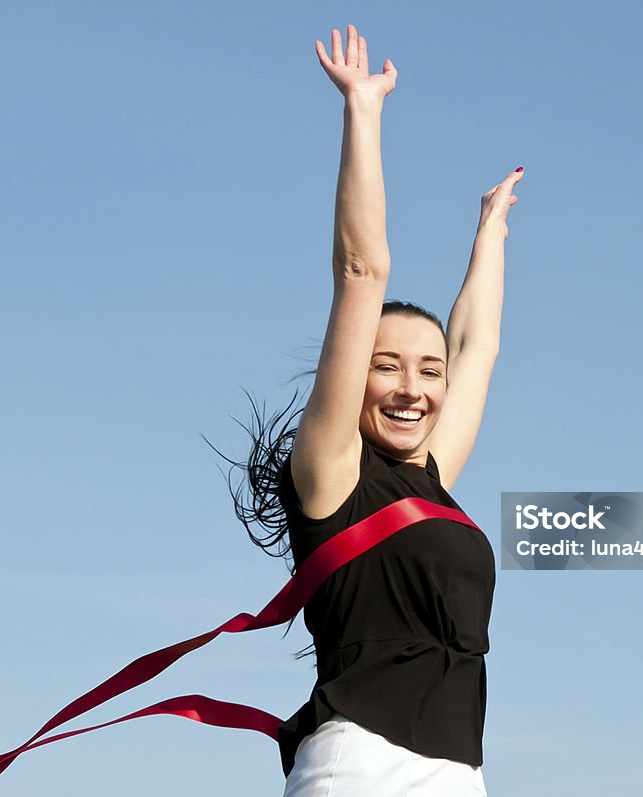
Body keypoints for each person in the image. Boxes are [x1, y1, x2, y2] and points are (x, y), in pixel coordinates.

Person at [231, 23, 523, 796]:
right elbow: (363, 269)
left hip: (460, 776)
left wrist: (490, 228)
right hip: (358, 768)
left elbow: (480, 345)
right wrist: (364, 110)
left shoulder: (431, 476)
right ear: (350, 376)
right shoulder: (329, 474)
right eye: (385, 365)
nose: (412, 388)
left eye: (428, 372)